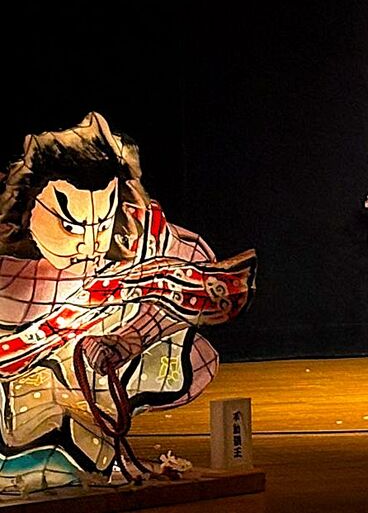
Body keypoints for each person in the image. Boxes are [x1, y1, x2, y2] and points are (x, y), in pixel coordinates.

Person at [0, 112, 255, 490]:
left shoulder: (144, 240)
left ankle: (84, 448)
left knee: (188, 355)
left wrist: (130, 338)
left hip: (94, 379)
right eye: (69, 225)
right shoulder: (11, 267)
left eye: (101, 223)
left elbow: (197, 275)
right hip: (22, 386)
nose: (89, 243)